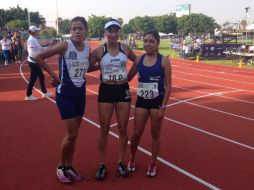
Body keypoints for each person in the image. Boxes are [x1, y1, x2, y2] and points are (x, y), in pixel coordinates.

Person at [33, 16, 92, 183]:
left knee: (75, 134)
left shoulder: (88, 49)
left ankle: (69, 165)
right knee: (72, 132)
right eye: (73, 28)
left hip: (80, 94)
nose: (77, 31)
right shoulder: (66, 45)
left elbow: (87, 66)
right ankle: (61, 166)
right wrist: (53, 76)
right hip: (65, 94)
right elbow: (38, 57)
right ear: (70, 31)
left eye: (80, 28)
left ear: (86, 31)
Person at [90, 19, 136, 180]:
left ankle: (121, 162)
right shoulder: (98, 51)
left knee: (123, 127)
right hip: (106, 90)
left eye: (116, 31)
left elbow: (137, 62)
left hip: (123, 89)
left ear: (119, 33)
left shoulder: (125, 48)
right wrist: (101, 67)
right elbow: (87, 67)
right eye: (110, 31)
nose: (113, 34)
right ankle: (102, 164)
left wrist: (129, 78)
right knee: (104, 127)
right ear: (105, 33)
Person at [127, 30, 172, 177]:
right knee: (137, 134)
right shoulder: (139, 60)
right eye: (145, 41)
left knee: (155, 134)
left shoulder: (163, 61)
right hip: (141, 102)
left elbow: (169, 86)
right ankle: (132, 158)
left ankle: (153, 163)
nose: (148, 43)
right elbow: (127, 78)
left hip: (157, 103)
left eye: (151, 41)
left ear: (157, 43)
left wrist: (163, 107)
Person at [25, 25, 52, 100]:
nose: (38, 31)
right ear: (34, 32)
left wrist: (46, 48)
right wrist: (46, 49)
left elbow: (39, 49)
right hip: (33, 62)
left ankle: (44, 92)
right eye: (37, 31)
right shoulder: (31, 40)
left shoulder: (33, 39)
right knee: (33, 78)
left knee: (41, 76)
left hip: (35, 61)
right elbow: (33, 52)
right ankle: (28, 95)